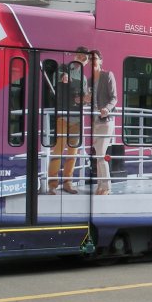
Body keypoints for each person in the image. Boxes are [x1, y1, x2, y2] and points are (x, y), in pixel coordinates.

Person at [47, 47, 90, 194]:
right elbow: (55, 81)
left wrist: (84, 99)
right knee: (58, 150)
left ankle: (68, 183)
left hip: (76, 118)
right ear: (75, 55)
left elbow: (82, 97)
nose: (82, 60)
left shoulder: (84, 77)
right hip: (63, 116)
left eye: (85, 59)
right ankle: (52, 185)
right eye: (80, 57)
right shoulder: (63, 68)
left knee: (73, 152)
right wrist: (63, 76)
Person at [90, 50, 117, 195]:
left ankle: (106, 187)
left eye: (95, 58)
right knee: (98, 155)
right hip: (94, 121)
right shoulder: (89, 80)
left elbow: (114, 98)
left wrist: (107, 108)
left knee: (100, 154)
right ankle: (100, 186)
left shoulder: (107, 75)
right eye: (90, 59)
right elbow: (89, 101)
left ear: (101, 60)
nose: (92, 61)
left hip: (106, 120)